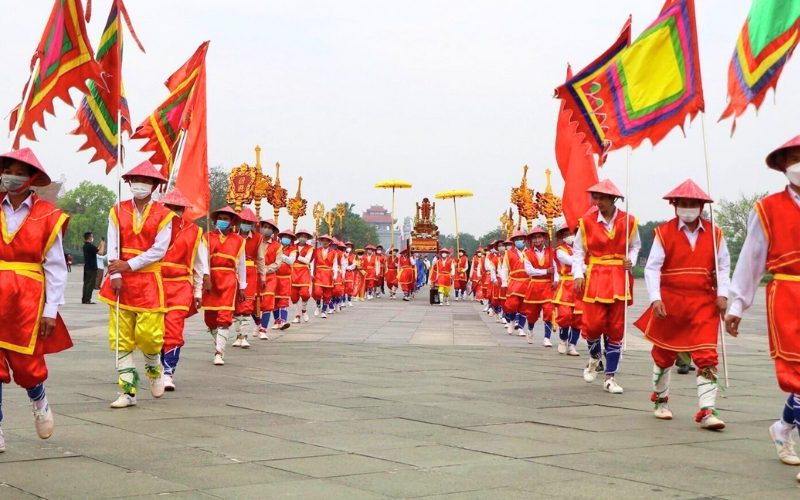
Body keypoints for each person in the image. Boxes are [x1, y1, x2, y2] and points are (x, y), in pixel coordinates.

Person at [725, 135, 800, 480]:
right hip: (788, 295)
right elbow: (752, 259)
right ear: (784, 166)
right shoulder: (767, 209)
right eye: (795, 157)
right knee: (797, 377)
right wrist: (737, 304)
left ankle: (783, 428)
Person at [634, 180, 729, 429]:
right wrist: (655, 298)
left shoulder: (715, 233)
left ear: (701, 206)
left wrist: (724, 293)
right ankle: (661, 400)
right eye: (683, 204)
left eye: (693, 204)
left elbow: (724, 266)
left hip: (703, 301)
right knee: (664, 354)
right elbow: (652, 267)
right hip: (671, 300)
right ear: (675, 206)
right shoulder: (663, 233)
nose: (688, 208)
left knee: (707, 354)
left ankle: (708, 410)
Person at [0, 148, 72, 451]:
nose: (11, 177)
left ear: (31, 179)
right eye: (8, 170)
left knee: (27, 367)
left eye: (19, 172)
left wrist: (51, 310)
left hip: (28, 299)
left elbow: (55, 267)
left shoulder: (47, 215)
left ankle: (38, 397)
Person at [98, 161, 175, 408]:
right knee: (121, 338)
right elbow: (111, 244)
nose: (140, 184)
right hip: (120, 280)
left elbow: (159, 250)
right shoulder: (117, 210)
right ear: (129, 182)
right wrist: (115, 272)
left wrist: (129, 266)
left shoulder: (165, 215)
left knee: (149, 336)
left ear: (154, 185)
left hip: (148, 280)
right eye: (136, 180)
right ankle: (128, 392)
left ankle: (154, 368)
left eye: (146, 180)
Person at [573, 179, 640, 395]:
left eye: (602, 197)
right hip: (595, 276)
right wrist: (578, 273)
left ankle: (610, 377)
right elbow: (577, 251)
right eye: (596, 197)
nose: (597, 201)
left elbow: (635, 245)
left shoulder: (628, 221)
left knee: (616, 329)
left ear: (613, 199)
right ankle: (594, 356)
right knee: (593, 325)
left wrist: (632, 260)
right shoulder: (586, 221)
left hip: (619, 276)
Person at [158, 189, 208, 390]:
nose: (173, 212)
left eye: (177, 208)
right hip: (155, 284)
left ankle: (168, 371)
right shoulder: (153, 229)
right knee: (155, 330)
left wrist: (197, 292)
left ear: (183, 210)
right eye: (169, 207)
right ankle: (158, 367)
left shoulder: (195, 232)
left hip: (180, 285)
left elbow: (199, 265)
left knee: (174, 327)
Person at [200, 206, 246, 366]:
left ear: (232, 221)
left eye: (226, 219)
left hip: (228, 279)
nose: (222, 221)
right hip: (210, 279)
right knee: (210, 319)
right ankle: (218, 341)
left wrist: (243, 286)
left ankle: (219, 352)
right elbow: (202, 260)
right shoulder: (207, 237)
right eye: (220, 218)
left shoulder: (239, 240)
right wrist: (205, 276)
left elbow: (241, 265)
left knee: (224, 317)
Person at [231, 208, 262, 349]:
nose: (245, 224)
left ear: (252, 224)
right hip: (234, 271)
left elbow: (261, 258)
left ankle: (244, 336)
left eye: (248, 222)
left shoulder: (258, 238)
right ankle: (238, 336)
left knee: (247, 306)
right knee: (236, 307)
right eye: (243, 221)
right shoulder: (232, 236)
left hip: (250, 272)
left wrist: (263, 276)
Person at [521, 228, 558, 345]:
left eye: (539, 237)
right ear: (531, 240)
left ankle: (547, 338)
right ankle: (530, 329)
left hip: (548, 285)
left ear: (544, 238)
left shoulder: (552, 251)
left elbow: (556, 269)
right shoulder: (527, 254)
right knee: (532, 313)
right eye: (534, 238)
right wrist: (546, 271)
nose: (537, 240)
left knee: (548, 310)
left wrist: (556, 280)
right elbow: (529, 271)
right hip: (535, 285)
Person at [552, 224, 582, 356]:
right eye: (566, 235)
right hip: (566, 284)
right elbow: (571, 261)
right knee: (565, 315)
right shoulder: (560, 250)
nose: (570, 237)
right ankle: (563, 339)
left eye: (572, 233)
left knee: (578, 317)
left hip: (580, 284)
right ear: (563, 238)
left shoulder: (582, 248)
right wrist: (585, 264)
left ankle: (572, 345)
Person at [256, 219, 281, 338]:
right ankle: (258, 323)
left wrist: (264, 270)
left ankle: (263, 329)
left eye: (269, 228)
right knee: (253, 302)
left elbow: (277, 264)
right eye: (264, 226)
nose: (266, 229)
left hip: (270, 276)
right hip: (255, 276)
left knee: (267, 302)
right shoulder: (256, 241)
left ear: (273, 231)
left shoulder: (277, 246)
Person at [273, 229, 296, 328]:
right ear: (280, 238)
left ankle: (283, 321)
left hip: (285, 278)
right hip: (274, 276)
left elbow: (291, 261)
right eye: (284, 237)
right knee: (274, 300)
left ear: (291, 240)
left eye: (288, 237)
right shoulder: (276, 246)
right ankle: (276, 321)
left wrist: (280, 255)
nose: (286, 239)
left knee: (283, 299)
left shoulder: (293, 250)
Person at [312, 234, 339, 318]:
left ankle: (324, 311)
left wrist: (335, 275)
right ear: (321, 241)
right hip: (319, 273)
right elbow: (313, 262)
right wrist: (312, 273)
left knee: (327, 295)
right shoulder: (316, 251)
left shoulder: (334, 253)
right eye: (323, 240)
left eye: (327, 241)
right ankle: (318, 305)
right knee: (317, 292)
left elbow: (335, 264)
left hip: (328, 274)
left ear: (329, 242)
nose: (325, 242)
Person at [291, 230, 314, 322]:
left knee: (304, 293)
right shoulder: (293, 246)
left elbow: (307, 260)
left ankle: (304, 310)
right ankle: (297, 315)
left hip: (304, 272)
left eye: (305, 236)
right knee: (293, 296)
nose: (303, 238)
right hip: (293, 271)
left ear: (307, 238)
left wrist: (298, 257)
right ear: (298, 237)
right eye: (301, 236)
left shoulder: (310, 248)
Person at [82, 231, 105, 304]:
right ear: (89, 237)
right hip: (92, 268)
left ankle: (84, 299)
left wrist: (100, 245)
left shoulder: (86, 246)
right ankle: (87, 299)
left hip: (87, 267)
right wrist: (103, 244)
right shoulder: (90, 246)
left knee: (86, 283)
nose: (92, 238)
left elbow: (96, 250)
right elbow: (101, 253)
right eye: (92, 236)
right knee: (90, 284)